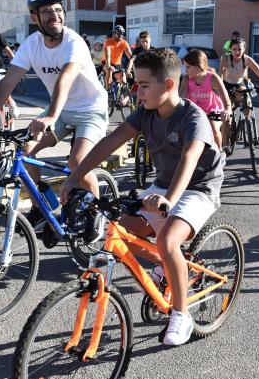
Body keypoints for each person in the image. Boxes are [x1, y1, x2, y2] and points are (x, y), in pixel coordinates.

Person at [61, 48, 224, 346]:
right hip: (164, 184)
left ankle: (181, 315)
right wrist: (75, 176)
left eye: (144, 85)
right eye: (136, 83)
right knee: (121, 230)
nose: (137, 91)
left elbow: (189, 159)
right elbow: (110, 141)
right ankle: (171, 265)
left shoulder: (193, 118)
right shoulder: (146, 112)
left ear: (169, 85)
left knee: (168, 240)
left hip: (198, 187)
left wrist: (170, 199)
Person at [0, 0, 108, 233]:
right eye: (46, 11)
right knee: (27, 149)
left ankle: (95, 214)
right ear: (34, 17)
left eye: (58, 9)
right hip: (62, 110)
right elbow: (7, 82)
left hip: (90, 109)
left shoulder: (73, 42)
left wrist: (51, 116)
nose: (54, 15)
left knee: (78, 162)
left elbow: (65, 78)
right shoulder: (32, 44)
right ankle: (40, 208)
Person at [219, 37, 259, 153]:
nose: (237, 52)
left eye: (239, 49)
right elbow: (221, 73)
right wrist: (220, 89)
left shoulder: (247, 59)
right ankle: (225, 144)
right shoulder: (225, 58)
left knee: (247, 100)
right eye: (234, 49)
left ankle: (246, 123)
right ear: (231, 49)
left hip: (239, 83)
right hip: (227, 84)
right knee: (227, 115)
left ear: (244, 49)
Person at [180, 49, 231, 150]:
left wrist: (227, 110)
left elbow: (226, 101)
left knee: (213, 128)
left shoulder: (213, 78)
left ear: (199, 66)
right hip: (196, 112)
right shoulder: (187, 79)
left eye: (188, 67)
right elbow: (181, 98)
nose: (186, 70)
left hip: (213, 111)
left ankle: (218, 153)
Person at [103, 25, 132, 89]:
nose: (121, 36)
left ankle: (123, 93)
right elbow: (107, 54)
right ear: (114, 33)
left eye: (122, 34)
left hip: (117, 63)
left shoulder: (124, 43)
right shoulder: (108, 42)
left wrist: (136, 64)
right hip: (106, 62)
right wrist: (109, 65)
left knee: (123, 79)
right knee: (109, 71)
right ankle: (107, 90)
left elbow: (130, 56)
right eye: (119, 34)